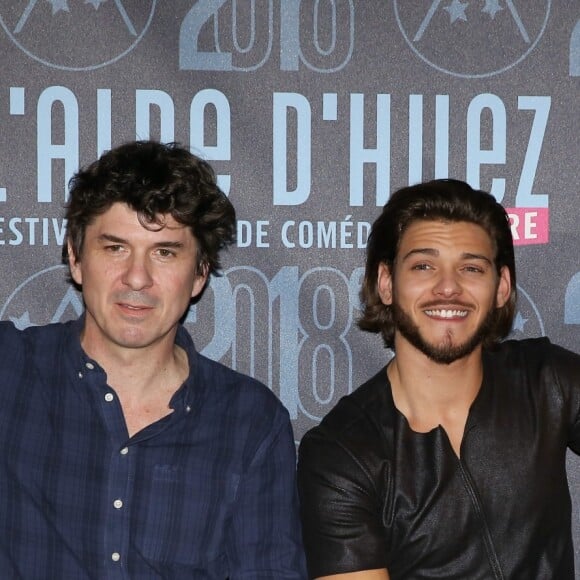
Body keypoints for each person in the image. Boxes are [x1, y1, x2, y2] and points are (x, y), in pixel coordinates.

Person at [0, 140, 307, 579]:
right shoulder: (10, 372)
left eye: (164, 252)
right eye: (115, 248)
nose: (137, 278)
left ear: (200, 273)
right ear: (75, 256)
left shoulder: (249, 421)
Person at [297, 179, 580, 580]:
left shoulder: (549, 382)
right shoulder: (343, 451)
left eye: (471, 268)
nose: (448, 287)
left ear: (501, 287)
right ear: (386, 284)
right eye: (423, 266)